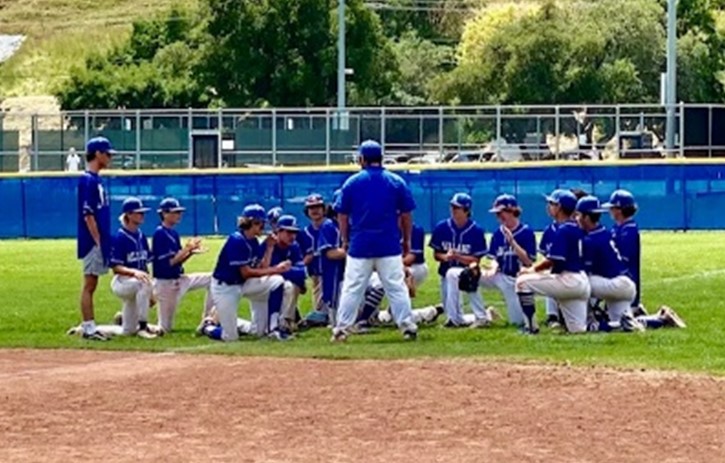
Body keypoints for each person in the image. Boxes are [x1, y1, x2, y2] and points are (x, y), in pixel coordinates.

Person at [331, 140, 418, 341]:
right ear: (380, 158)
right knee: (396, 287)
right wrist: (406, 240)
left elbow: (342, 214)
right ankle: (407, 327)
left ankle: (342, 329)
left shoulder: (352, 182)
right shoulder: (395, 181)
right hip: (388, 244)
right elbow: (406, 214)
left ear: (362, 159)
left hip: (360, 245)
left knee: (352, 288)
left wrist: (344, 239)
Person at [205, 204, 292, 342]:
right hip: (225, 287)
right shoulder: (236, 240)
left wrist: (269, 248)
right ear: (253, 222)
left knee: (277, 281)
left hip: (243, 284)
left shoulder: (253, 241)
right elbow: (247, 272)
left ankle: (273, 328)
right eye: (261, 223)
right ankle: (209, 327)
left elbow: (262, 267)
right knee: (230, 338)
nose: (263, 227)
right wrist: (277, 269)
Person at [516, 190, 590, 334]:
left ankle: (530, 328)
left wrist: (531, 270)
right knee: (578, 330)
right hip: (582, 280)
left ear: (560, 207)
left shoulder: (563, 229)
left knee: (522, 282)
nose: (549, 207)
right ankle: (623, 324)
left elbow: (552, 261)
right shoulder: (578, 227)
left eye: (552, 203)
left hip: (568, 280)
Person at [575, 195, 643, 332]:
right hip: (623, 284)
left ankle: (588, 319)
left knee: (579, 282)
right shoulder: (606, 232)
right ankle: (659, 320)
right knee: (622, 324)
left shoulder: (624, 230)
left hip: (618, 283)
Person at [152, 197, 214, 334]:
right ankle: (134, 323)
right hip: (165, 284)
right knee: (164, 328)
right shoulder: (160, 233)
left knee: (213, 278)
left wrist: (190, 252)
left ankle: (207, 321)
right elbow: (170, 262)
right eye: (175, 212)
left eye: (179, 212)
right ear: (164, 214)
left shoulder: (173, 233)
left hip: (179, 278)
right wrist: (187, 249)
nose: (179, 215)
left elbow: (178, 260)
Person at [430, 193, 490, 328]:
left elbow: (476, 260)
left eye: (457, 207)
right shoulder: (442, 227)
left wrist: (458, 256)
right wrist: (445, 257)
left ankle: (476, 317)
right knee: (451, 310)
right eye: (452, 206)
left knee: (459, 274)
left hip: (467, 272)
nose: (453, 210)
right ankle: (483, 316)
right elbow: (436, 254)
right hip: (445, 273)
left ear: (467, 210)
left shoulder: (476, 230)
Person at [75, 136, 114, 341]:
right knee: (90, 284)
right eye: (107, 154)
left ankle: (88, 325)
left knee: (93, 283)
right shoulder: (88, 180)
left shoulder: (97, 180)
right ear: (97, 154)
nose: (110, 158)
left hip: (99, 239)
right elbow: (88, 214)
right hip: (92, 241)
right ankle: (88, 327)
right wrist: (97, 240)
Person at [479, 194, 537, 327]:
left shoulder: (526, 232)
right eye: (497, 214)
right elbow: (494, 258)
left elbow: (528, 262)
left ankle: (490, 314)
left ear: (512, 211)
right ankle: (481, 317)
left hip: (518, 279)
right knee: (469, 277)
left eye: (501, 213)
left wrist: (513, 242)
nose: (498, 217)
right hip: (500, 275)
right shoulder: (498, 234)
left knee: (517, 322)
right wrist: (493, 266)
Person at [110, 197, 159, 339]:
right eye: (138, 213)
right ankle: (143, 327)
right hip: (122, 282)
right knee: (142, 282)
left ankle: (89, 330)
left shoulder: (141, 236)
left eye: (142, 213)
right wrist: (134, 272)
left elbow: (145, 266)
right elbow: (115, 267)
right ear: (129, 215)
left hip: (137, 283)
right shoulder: (119, 237)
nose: (142, 215)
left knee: (127, 331)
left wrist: (151, 291)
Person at [602, 189, 645, 316]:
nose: (610, 211)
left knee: (623, 320)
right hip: (619, 277)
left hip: (627, 280)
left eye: (613, 208)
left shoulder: (629, 230)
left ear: (619, 210)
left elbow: (624, 258)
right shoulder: (618, 228)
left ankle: (660, 319)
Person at [269, 215, 307, 333]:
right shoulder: (270, 246)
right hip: (266, 287)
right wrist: (284, 270)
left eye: (294, 232)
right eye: (289, 232)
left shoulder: (294, 246)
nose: (292, 236)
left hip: (282, 283)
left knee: (292, 285)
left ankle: (286, 323)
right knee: (259, 329)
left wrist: (284, 270)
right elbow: (267, 272)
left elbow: (302, 272)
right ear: (278, 231)